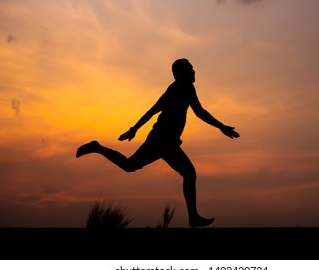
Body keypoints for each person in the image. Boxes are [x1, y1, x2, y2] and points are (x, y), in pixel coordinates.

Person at [76, 58, 239, 227]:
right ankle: (193, 217)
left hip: (163, 141)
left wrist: (221, 127)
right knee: (189, 173)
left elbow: (199, 112)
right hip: (163, 140)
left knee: (129, 166)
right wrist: (134, 128)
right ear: (180, 73)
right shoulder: (175, 90)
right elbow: (154, 110)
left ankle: (97, 147)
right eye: (190, 69)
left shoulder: (188, 89)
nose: (194, 71)